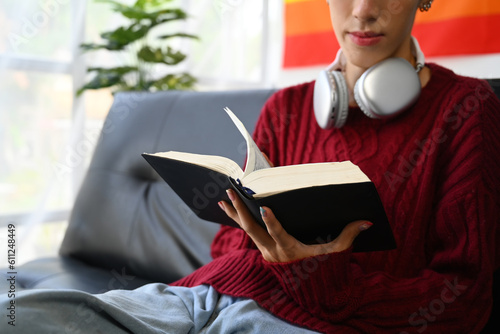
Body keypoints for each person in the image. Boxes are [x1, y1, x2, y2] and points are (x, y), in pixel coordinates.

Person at [2, 0, 499, 333]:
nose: (363, 11)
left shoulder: (467, 108)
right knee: (20, 316)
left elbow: (465, 299)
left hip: (305, 325)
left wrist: (329, 281)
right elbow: (232, 248)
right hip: (199, 297)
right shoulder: (286, 107)